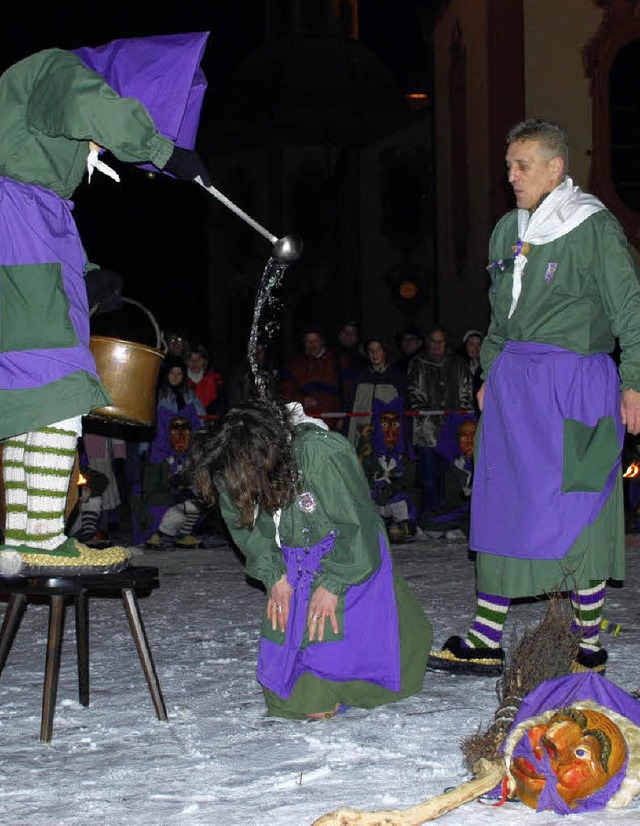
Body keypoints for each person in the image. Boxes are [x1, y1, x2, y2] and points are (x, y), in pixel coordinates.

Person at [428, 119, 640, 677]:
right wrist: (489, 371)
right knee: (501, 499)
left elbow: (631, 309)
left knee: (584, 501)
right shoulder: (507, 232)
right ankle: (486, 635)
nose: (511, 176)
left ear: (555, 167)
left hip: (580, 388)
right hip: (514, 390)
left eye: (522, 166)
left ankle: (587, 643)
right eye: (508, 166)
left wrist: (634, 379)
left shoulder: (595, 228)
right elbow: (499, 317)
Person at [0, 33, 209, 570]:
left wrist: (89, 276)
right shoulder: (60, 71)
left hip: (27, 248)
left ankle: (22, 538)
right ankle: (44, 541)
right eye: (103, 143)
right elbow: (87, 106)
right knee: (59, 391)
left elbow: (42, 236)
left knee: (31, 399)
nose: (100, 153)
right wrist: (163, 151)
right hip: (20, 246)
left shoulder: (40, 188)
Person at [188, 399, 432, 720]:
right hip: (292, 562)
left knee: (337, 654)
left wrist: (332, 585)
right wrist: (274, 575)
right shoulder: (230, 458)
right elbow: (238, 517)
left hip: (348, 558)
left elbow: (358, 526)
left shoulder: (317, 453)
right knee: (291, 699)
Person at [407, 325, 473, 515]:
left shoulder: (458, 363)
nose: (437, 345)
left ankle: (451, 517)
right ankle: (430, 517)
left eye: (440, 341)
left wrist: (459, 419)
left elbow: (465, 393)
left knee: (451, 477)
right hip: (426, 432)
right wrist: (428, 413)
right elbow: (413, 393)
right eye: (433, 341)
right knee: (429, 478)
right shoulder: (418, 363)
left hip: (451, 433)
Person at [357, 396, 419, 543]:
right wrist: (363, 446)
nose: (390, 432)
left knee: (402, 502)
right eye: (384, 425)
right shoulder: (370, 450)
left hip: (393, 497)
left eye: (395, 425)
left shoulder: (404, 454)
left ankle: (401, 526)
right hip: (375, 496)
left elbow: (408, 480)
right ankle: (377, 526)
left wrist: (390, 489)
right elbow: (360, 475)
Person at [279, 326, 343, 430]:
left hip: (331, 423)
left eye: (315, 341)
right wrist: (302, 399)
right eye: (308, 341)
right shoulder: (295, 365)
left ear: (322, 342)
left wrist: (342, 418)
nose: (311, 345)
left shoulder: (337, 362)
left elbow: (347, 392)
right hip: (304, 423)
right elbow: (285, 391)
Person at [347, 336, 407, 446]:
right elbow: (354, 410)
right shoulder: (360, 377)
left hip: (387, 435)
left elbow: (403, 410)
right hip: (364, 435)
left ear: (384, 352)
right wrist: (352, 439)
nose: (374, 353)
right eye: (371, 350)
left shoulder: (396, 378)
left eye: (378, 350)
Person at [186, 343, 223, 417]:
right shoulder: (181, 381)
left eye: (198, 359)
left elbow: (221, 405)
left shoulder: (215, 380)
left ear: (204, 361)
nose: (194, 363)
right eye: (191, 360)